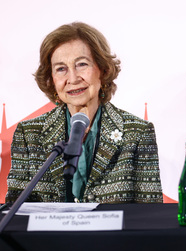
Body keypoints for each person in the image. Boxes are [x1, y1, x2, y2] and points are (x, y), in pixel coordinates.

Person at [6, 22, 163, 203]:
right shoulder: (28, 133)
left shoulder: (137, 132)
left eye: (82, 64)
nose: (72, 78)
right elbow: (15, 213)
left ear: (103, 70)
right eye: (61, 69)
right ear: (51, 79)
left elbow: (150, 215)